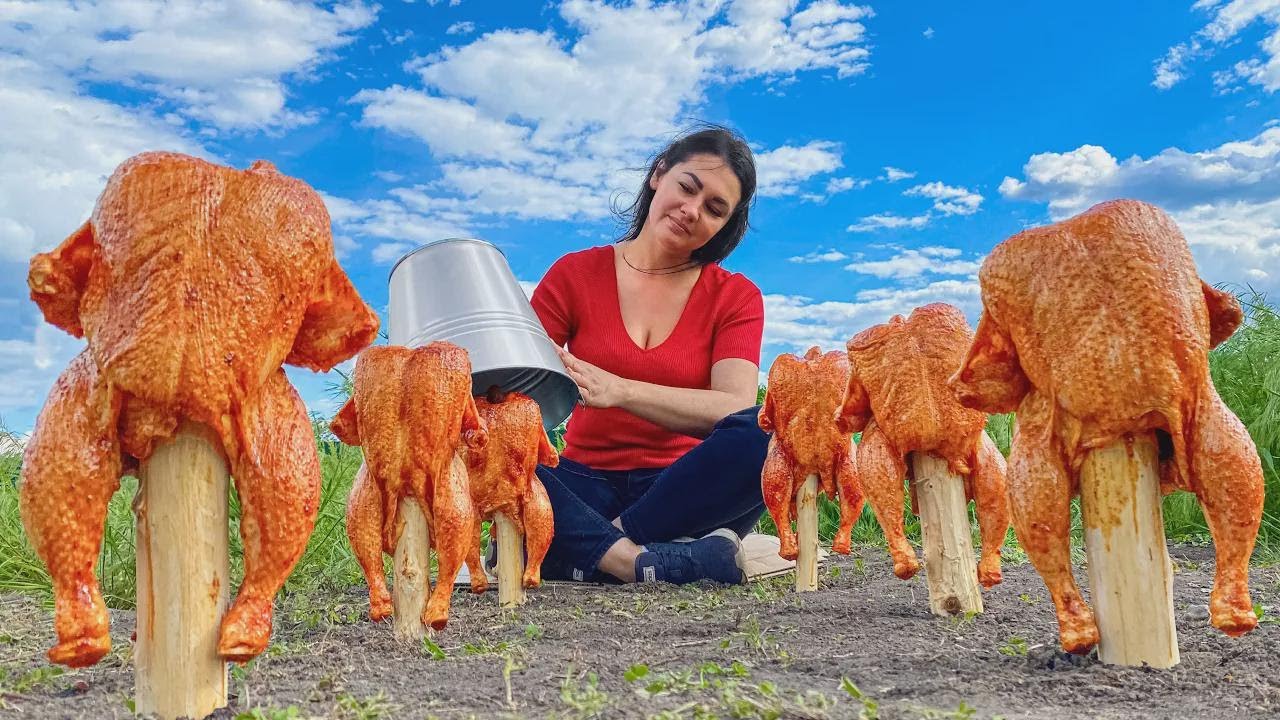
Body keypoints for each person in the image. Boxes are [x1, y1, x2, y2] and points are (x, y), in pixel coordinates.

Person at [528, 125, 768, 586]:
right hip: (582, 485)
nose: (692, 211)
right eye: (687, 187)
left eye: (714, 209)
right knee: (491, 437)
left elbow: (734, 408)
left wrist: (620, 391)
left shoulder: (736, 296)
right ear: (659, 174)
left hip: (682, 492)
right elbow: (519, 395)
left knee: (767, 430)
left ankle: (592, 549)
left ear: (725, 225)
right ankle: (647, 561)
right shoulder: (575, 273)